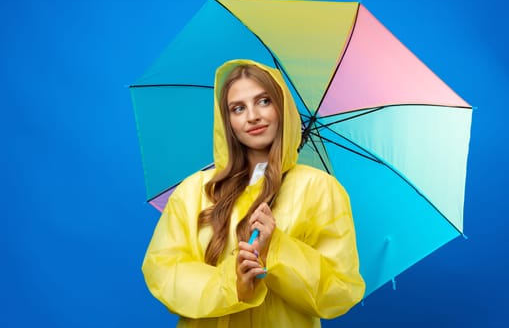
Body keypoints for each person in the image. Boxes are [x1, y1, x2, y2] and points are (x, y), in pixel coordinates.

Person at [142, 59, 365, 327]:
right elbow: (164, 272)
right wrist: (232, 285)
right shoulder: (194, 191)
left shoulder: (320, 189)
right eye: (238, 108)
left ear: (282, 109)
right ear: (227, 121)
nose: (252, 116)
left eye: (264, 101)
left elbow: (339, 291)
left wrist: (277, 247)